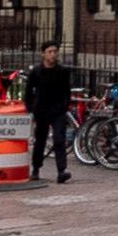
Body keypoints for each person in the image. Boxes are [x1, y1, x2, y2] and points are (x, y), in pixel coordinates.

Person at [21, 41, 76, 185]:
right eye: (50, 52)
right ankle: (36, 169)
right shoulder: (36, 72)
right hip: (42, 110)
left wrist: (64, 106)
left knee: (59, 139)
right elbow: (28, 92)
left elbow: (66, 91)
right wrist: (31, 107)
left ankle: (61, 171)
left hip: (58, 110)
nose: (53, 54)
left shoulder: (62, 71)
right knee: (40, 140)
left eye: (55, 51)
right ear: (43, 54)